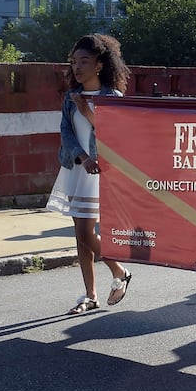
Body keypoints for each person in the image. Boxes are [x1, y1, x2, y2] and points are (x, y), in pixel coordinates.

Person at [49, 33, 134, 315]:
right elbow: (65, 132)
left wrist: (88, 111)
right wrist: (83, 157)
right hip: (77, 170)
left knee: (86, 231)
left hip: (103, 174)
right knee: (80, 235)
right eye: (74, 61)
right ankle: (90, 295)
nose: (77, 67)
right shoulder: (70, 97)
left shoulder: (114, 98)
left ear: (99, 64)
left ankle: (120, 271)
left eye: (84, 61)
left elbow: (116, 135)